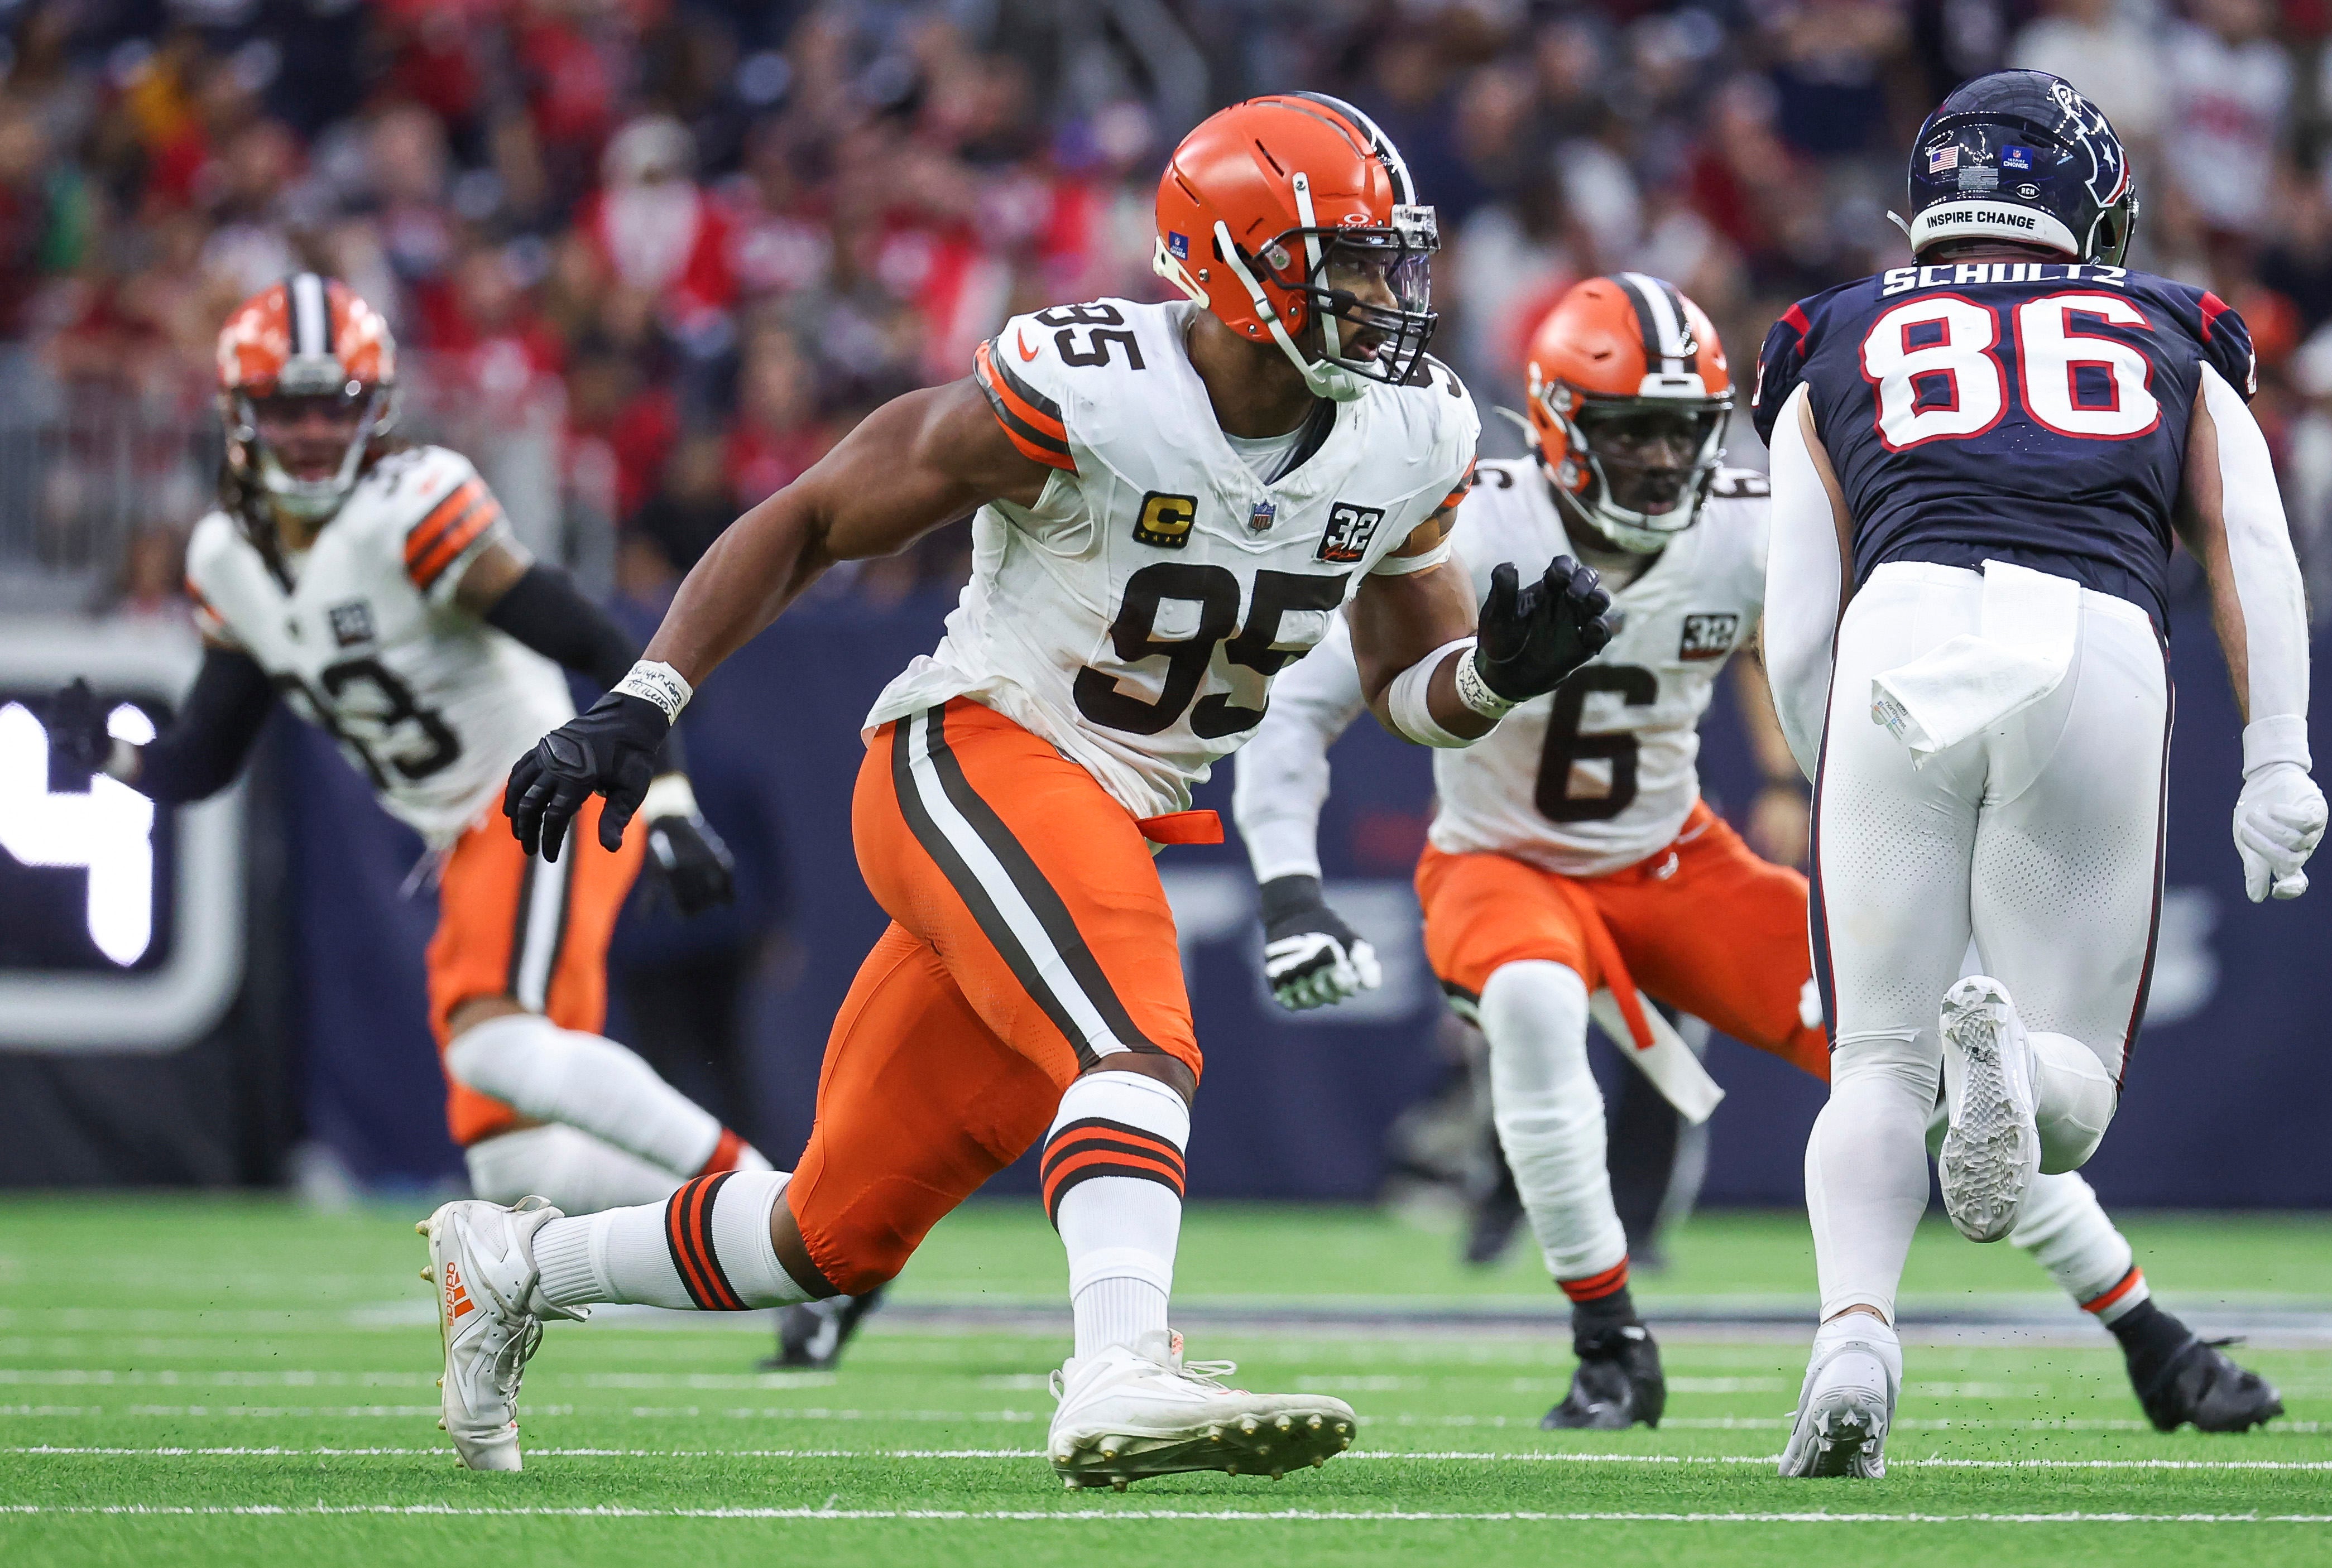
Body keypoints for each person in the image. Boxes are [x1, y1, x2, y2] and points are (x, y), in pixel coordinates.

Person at [425, 94, 1614, 1484]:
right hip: (973, 750)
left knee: (828, 1232)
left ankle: (514, 1266)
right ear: (1228, 271)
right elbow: (813, 516)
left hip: (1099, 807)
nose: (1380, 293)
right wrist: (646, 697)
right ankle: (1117, 1366)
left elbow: (1415, 689)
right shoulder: (1094, 385)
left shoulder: (1406, 429)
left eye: (1384, 259)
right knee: (1136, 1037)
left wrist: (1495, 679)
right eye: (1338, 261)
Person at [1237, 275, 2287, 1435]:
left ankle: (2150, 1335)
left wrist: (1841, 797)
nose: (1652, 459)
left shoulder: (1742, 520)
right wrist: (1290, 886)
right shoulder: (1471, 519)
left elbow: (1813, 658)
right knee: (1533, 1002)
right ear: (1550, 423)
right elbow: (1304, 705)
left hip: (1674, 859)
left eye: (1679, 429)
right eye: (1625, 429)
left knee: (1934, 1065)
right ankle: (1608, 1345)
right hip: (1502, 859)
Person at [1753, 71, 2324, 1478]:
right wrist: (2279, 756)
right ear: (2090, 207)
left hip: (1897, 634)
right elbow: (2252, 544)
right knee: (2069, 1086)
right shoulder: (2169, 325)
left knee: (1872, 1061)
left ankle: (1853, 1339)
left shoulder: (1828, 332)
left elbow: (1796, 621)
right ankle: (2005, 1055)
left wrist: (1839, 769)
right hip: (2090, 640)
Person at [45, 274, 765, 1216]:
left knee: (494, 1045)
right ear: (239, 415)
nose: (310, 432)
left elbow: (601, 646)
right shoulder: (226, 556)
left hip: (537, 792)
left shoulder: (410, 507)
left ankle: (781, 1207)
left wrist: (667, 800)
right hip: (466, 838)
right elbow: (209, 755)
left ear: (375, 411)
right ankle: (758, 1236)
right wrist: (115, 756)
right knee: (514, 1164)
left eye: (333, 406)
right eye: (286, 408)